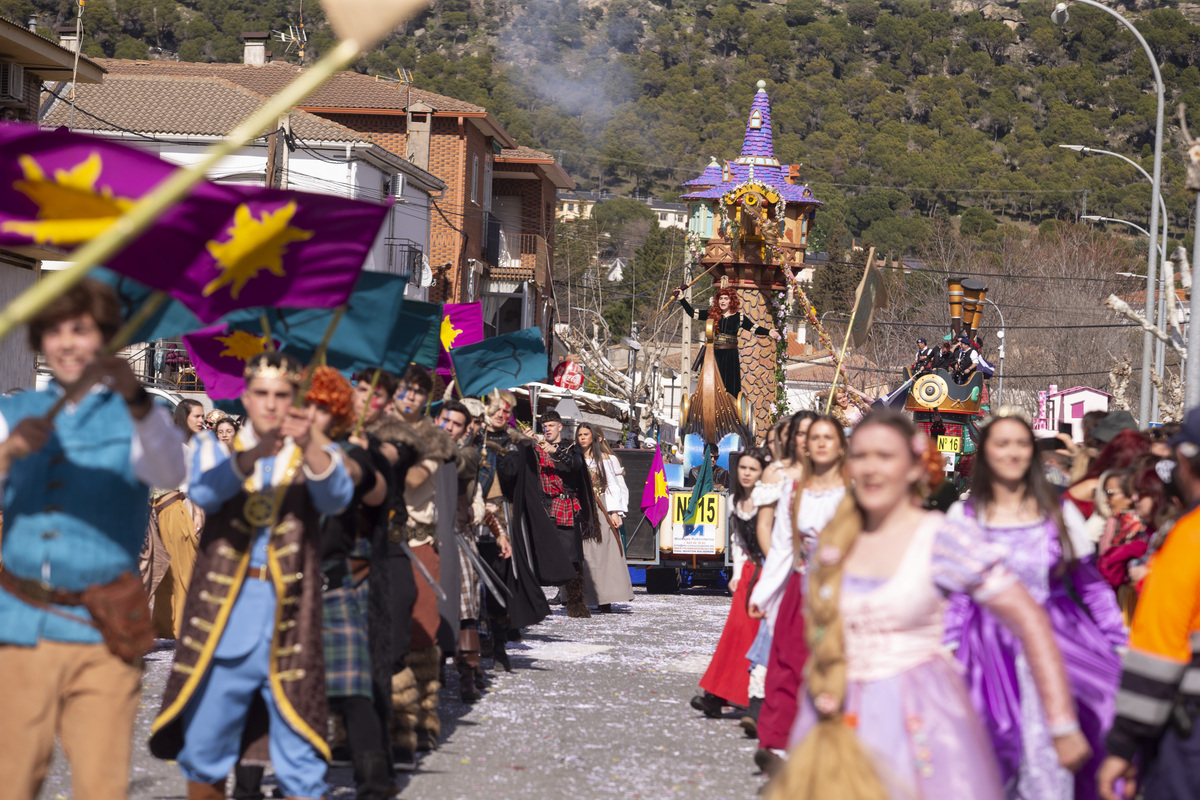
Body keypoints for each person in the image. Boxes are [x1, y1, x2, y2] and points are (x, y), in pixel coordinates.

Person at [770, 410, 1090, 800]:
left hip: (917, 720)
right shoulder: (833, 544)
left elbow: (1031, 621)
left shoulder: (941, 537)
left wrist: (1060, 723)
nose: (871, 468)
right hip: (836, 714)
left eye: (885, 457)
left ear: (913, 466)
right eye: (862, 456)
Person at [0, 280, 187, 800]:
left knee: (101, 786)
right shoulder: (10, 414)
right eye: (55, 330)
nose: (67, 343)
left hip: (104, 630)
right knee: (10, 780)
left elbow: (171, 466)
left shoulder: (137, 420)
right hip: (18, 626)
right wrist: (8, 453)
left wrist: (137, 400)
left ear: (104, 339)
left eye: (80, 329)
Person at [149, 352, 353, 800]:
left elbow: (337, 496)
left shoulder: (313, 449)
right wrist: (256, 453)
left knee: (300, 755)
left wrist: (311, 442)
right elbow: (206, 490)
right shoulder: (214, 447)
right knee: (205, 751)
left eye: (282, 394)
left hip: (291, 621)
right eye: (261, 393)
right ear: (247, 395)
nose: (271, 403)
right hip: (227, 620)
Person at [943, 409, 1125, 800]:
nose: (1013, 453)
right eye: (1002, 444)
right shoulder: (964, 517)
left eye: (1021, 444)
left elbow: (1091, 587)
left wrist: (1117, 642)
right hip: (987, 650)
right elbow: (955, 596)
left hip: (1062, 642)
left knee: (1097, 718)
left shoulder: (1058, 513)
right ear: (986, 452)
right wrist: (948, 648)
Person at [1098, 410, 1200, 800]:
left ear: (1186, 461)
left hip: (1188, 730)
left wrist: (1123, 744)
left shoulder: (1188, 539)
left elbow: (1160, 647)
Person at [751, 416, 849, 774]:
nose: (821, 443)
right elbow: (781, 546)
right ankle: (778, 746)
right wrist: (763, 593)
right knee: (786, 664)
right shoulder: (795, 491)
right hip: (800, 586)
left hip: (841, 592)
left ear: (841, 444)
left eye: (829, 437)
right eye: (815, 437)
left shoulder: (854, 491)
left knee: (832, 669)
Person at [373, 364, 457, 754]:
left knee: (420, 634)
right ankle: (350, 728)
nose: (413, 396)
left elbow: (410, 481)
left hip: (416, 543)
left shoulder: (433, 438)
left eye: (421, 392)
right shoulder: (369, 426)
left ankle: (419, 719)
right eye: (407, 388)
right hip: (368, 543)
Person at [692, 447, 771, 723]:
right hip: (748, 572)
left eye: (753, 469)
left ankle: (745, 696)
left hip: (767, 572)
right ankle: (718, 693)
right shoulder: (735, 499)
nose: (747, 473)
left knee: (753, 635)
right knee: (735, 634)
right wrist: (737, 573)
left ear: (762, 473)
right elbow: (737, 542)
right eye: (743, 468)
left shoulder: (768, 499)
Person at [539, 409, 600, 618]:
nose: (546, 429)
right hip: (545, 506)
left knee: (573, 558)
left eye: (550, 425)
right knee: (537, 555)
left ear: (559, 427)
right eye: (544, 426)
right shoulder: (537, 449)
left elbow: (576, 465)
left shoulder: (572, 448)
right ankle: (535, 601)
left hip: (565, 506)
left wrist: (554, 451)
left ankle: (575, 603)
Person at [672, 285, 780, 400]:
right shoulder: (712, 314)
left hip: (730, 355)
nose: (723, 301)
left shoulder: (740, 317)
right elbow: (692, 313)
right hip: (714, 354)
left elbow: (754, 328)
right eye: (721, 298)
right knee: (711, 382)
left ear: (731, 301)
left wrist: (769, 332)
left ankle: (731, 407)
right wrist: (682, 298)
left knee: (729, 385)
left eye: (726, 299)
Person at [576, 423, 634, 613]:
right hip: (581, 509)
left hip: (602, 509)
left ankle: (606, 598)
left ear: (593, 437)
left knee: (605, 554)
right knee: (584, 554)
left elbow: (613, 486)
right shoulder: (575, 459)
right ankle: (581, 597)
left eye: (586, 434)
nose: (582, 438)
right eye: (579, 435)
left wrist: (616, 511)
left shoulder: (606, 460)